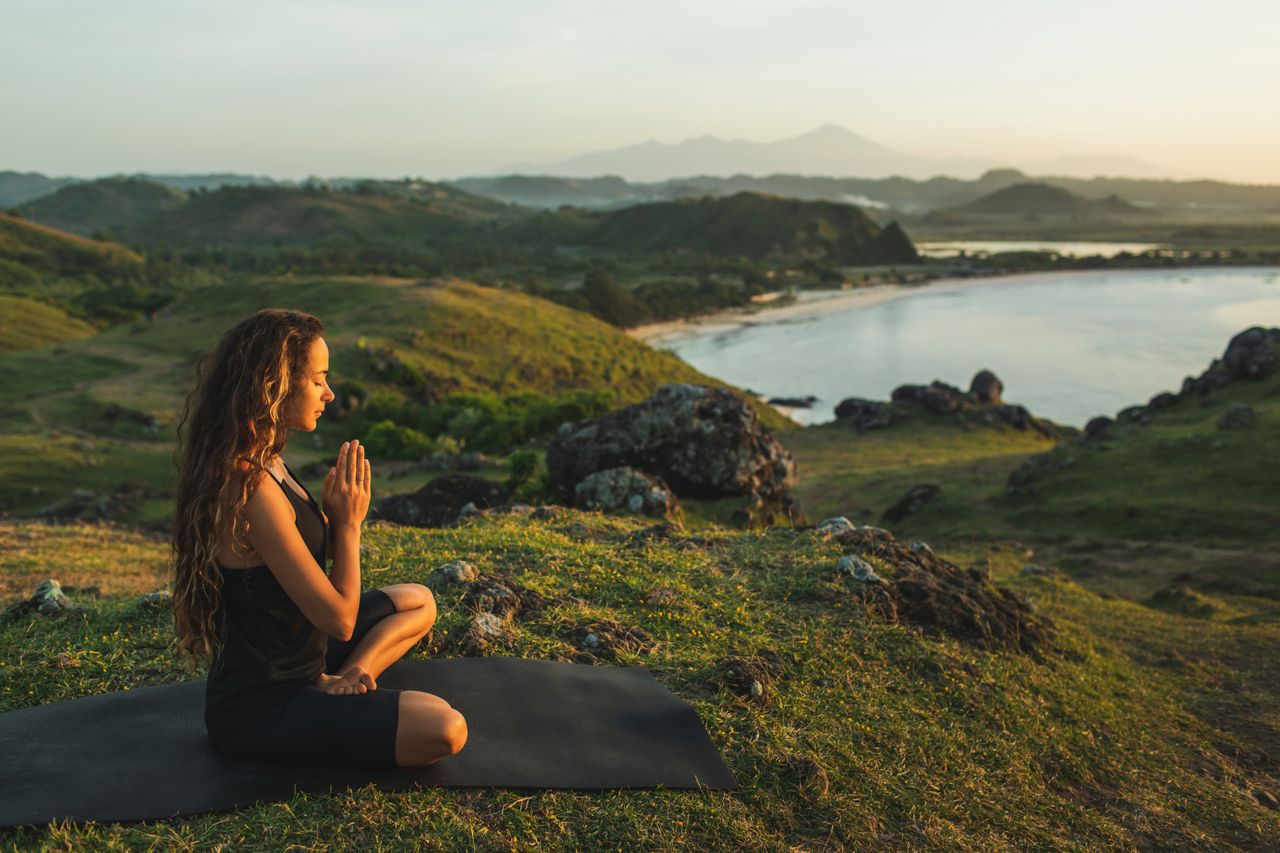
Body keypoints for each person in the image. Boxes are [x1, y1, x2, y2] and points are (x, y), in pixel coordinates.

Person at [170, 308, 468, 767]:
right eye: (318, 380)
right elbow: (341, 621)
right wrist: (348, 526)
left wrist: (351, 670)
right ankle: (330, 687)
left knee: (419, 601)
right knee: (445, 729)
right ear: (273, 385)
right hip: (263, 705)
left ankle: (350, 676)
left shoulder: (266, 458)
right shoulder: (248, 488)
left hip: (307, 657)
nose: (329, 393)